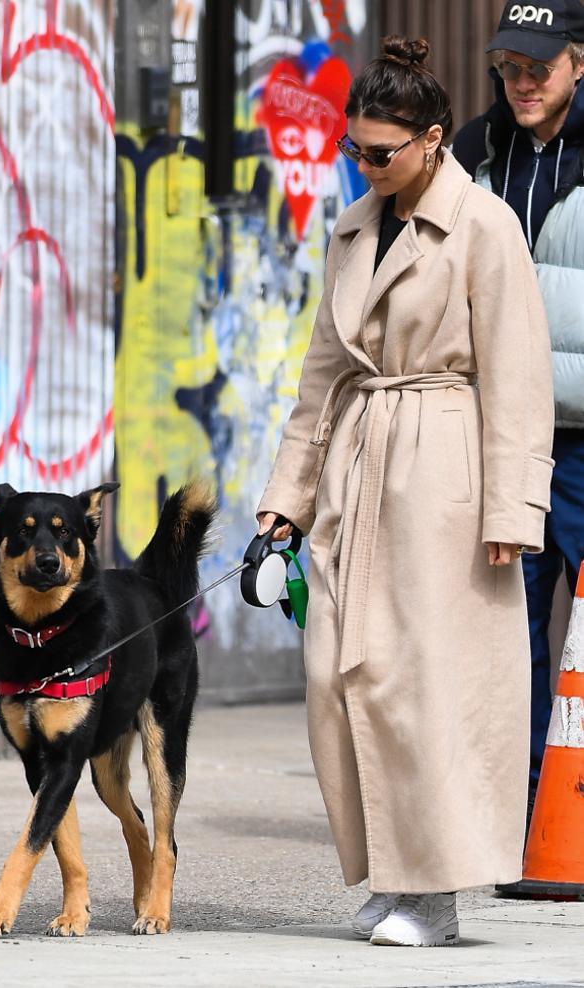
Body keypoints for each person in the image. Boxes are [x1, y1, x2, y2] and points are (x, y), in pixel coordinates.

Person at [256, 35, 554, 947]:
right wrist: (283, 507)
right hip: (356, 461)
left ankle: (435, 891)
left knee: (427, 683)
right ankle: (390, 872)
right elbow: (320, 380)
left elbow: (518, 373)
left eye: (382, 152)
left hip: (443, 467)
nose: (366, 166)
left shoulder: (486, 225)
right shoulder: (353, 225)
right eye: (356, 151)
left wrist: (511, 506)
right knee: (336, 674)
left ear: (433, 139)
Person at [453, 0, 584, 839]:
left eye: (539, 66)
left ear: (579, 62)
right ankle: (525, 810)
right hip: (501, 429)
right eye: (509, 66)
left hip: (581, 427)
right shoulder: (473, 150)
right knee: (508, 627)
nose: (522, 82)